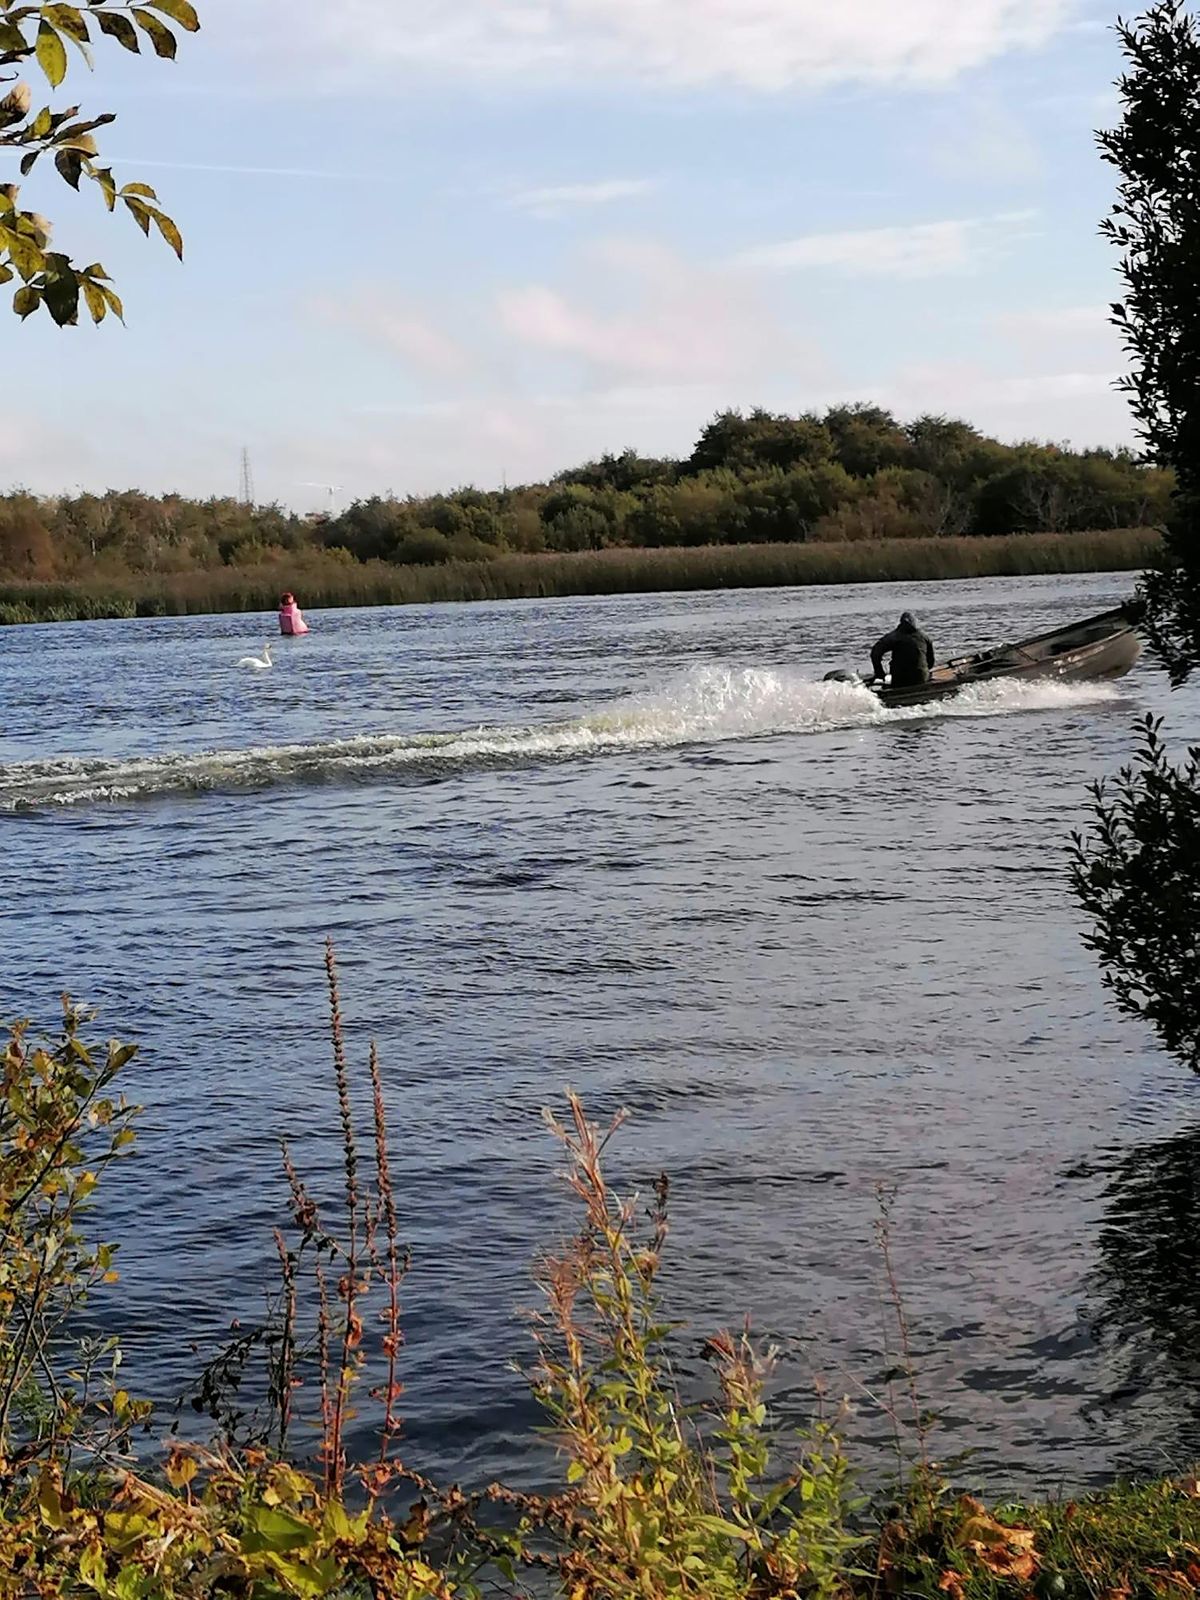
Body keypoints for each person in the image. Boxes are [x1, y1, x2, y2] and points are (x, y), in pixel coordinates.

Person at [871, 611, 934, 687]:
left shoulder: (894, 637)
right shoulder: (924, 637)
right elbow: (931, 662)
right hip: (921, 678)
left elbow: (875, 653)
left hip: (900, 680)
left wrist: (880, 674)